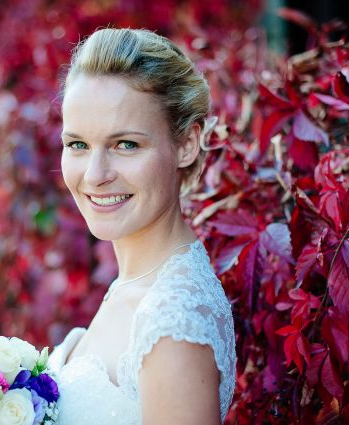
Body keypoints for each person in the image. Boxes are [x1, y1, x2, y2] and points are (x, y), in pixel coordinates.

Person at [47, 29, 236, 424]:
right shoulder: (137, 285)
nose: (95, 175)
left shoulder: (172, 323)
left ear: (186, 144)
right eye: (78, 144)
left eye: (126, 145)